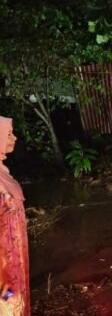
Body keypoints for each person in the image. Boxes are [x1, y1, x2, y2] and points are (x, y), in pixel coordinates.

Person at [0, 117, 29, 316]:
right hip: (3, 271)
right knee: (8, 305)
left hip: (15, 263)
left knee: (17, 304)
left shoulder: (3, 174)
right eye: (9, 134)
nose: (15, 138)